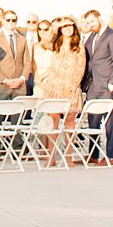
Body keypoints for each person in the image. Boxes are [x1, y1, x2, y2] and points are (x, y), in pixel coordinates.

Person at [40, 16, 87, 166]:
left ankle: (68, 155)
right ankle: (51, 155)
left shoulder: (79, 47)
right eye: (64, 26)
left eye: (70, 26)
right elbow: (45, 41)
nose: (67, 29)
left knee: (69, 122)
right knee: (53, 121)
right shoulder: (55, 44)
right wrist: (55, 27)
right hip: (54, 88)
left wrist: (73, 86)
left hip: (70, 89)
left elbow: (80, 69)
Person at [82, 9, 113, 163]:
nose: (90, 25)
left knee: (109, 121)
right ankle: (93, 155)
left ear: (100, 18)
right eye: (88, 22)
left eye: (92, 21)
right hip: (93, 84)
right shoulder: (92, 37)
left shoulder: (112, 36)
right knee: (92, 120)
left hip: (107, 85)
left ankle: (111, 156)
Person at [0, 11, 34, 100]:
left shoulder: (22, 40)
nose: (11, 22)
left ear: (16, 21)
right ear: (3, 21)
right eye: (8, 20)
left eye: (13, 20)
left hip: (19, 87)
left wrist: (22, 78)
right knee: (0, 113)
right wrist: (5, 81)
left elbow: (27, 62)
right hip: (2, 87)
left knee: (18, 113)